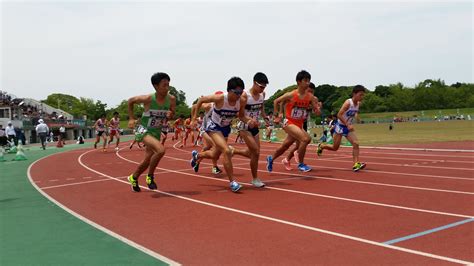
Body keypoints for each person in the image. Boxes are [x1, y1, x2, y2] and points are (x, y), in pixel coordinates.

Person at [190, 77, 258, 192]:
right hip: (213, 126)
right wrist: (194, 119)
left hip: (225, 128)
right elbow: (200, 100)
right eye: (236, 92)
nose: (239, 95)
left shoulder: (241, 100)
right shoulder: (220, 98)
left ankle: (197, 156)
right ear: (229, 90)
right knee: (226, 151)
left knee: (215, 155)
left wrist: (249, 121)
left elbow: (241, 116)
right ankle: (232, 182)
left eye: (241, 92)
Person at [127, 72, 176, 192]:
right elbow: (130, 101)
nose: (167, 87)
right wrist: (131, 118)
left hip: (156, 131)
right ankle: (150, 176)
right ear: (156, 86)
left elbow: (172, 113)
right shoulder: (148, 99)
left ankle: (134, 177)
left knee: (148, 159)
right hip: (143, 130)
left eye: (168, 84)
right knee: (160, 150)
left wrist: (170, 115)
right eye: (164, 85)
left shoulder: (171, 99)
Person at [266, 70, 320, 173]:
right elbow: (276, 101)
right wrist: (277, 115)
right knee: (305, 139)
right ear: (299, 82)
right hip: (289, 122)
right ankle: (301, 164)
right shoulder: (291, 95)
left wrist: (317, 109)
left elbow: (316, 111)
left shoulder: (311, 98)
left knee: (285, 146)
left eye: (309, 81)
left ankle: (271, 158)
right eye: (305, 80)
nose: (308, 83)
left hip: (299, 124)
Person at [317, 85, 367, 172]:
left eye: (363, 95)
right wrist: (347, 124)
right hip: (340, 126)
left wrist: (357, 117)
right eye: (360, 95)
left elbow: (355, 112)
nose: (362, 97)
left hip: (347, 127)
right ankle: (322, 146)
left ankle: (356, 163)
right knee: (335, 148)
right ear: (354, 94)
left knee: (356, 143)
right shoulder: (348, 103)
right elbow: (339, 115)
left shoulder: (358, 104)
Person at [234, 72, 269, 187]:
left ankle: (233, 151)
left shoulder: (262, 95)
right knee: (256, 151)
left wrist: (265, 118)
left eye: (264, 87)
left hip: (255, 127)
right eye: (261, 86)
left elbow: (261, 107)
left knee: (255, 154)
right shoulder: (245, 96)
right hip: (244, 126)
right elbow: (240, 115)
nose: (262, 89)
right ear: (254, 83)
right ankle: (255, 179)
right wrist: (249, 120)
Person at [282, 82, 321, 170]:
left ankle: (288, 159)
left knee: (299, 144)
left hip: (303, 122)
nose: (310, 94)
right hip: (293, 122)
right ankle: (297, 160)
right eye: (309, 91)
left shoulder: (313, 99)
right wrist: (281, 113)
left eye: (312, 92)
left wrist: (317, 108)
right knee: (299, 142)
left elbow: (316, 112)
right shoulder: (296, 96)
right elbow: (284, 102)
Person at [191, 92, 222, 175]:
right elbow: (194, 106)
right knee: (216, 146)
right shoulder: (209, 105)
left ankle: (197, 159)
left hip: (214, 130)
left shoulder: (224, 106)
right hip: (205, 129)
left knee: (207, 147)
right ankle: (214, 167)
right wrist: (193, 118)